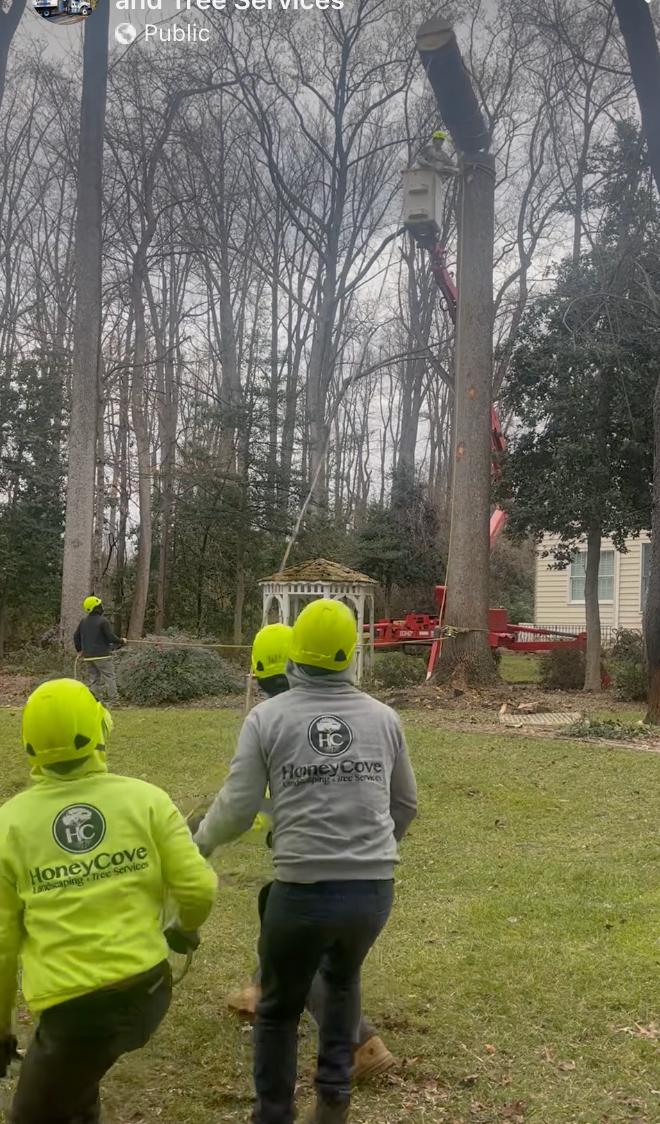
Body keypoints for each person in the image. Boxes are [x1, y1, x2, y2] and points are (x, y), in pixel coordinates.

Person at [195, 599, 417, 1124]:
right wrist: (376, 851)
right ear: (352, 654)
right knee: (342, 984)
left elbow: (238, 806)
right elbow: (404, 803)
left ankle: (273, 1114)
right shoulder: (385, 718)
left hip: (301, 892)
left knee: (276, 1009)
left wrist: (200, 843)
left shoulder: (267, 717)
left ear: (293, 652)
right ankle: (332, 1105)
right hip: (371, 894)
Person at [0, 678, 217, 1124]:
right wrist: (182, 925)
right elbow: (199, 888)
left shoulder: (9, 825)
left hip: (73, 1014)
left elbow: (2, 942)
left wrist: (1, 1027)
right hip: (148, 992)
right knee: (76, 1090)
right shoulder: (147, 800)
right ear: (100, 728)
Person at [223, 622, 396, 1082]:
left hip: (311, 865)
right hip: (363, 866)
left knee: (308, 948)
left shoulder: (272, 719)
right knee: (277, 911)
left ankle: (360, 1040)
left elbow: (246, 801)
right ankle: (263, 987)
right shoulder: (357, 713)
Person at [73, 596, 125, 705]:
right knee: (110, 677)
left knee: (94, 679)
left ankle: (93, 701)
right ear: (96, 607)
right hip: (102, 656)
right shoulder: (103, 621)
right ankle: (114, 701)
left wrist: (80, 650)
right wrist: (121, 641)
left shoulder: (83, 621)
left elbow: (76, 636)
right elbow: (111, 637)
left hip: (88, 657)